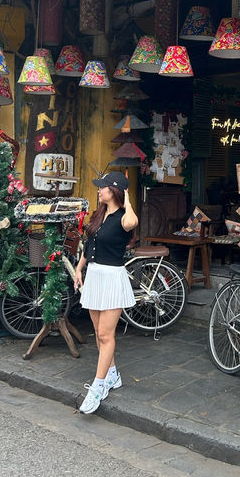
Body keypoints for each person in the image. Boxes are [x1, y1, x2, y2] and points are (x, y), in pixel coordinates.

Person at [75, 171, 139, 415]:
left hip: (112, 278)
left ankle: (97, 388)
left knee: (105, 334)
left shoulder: (124, 217)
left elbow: (132, 223)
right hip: (94, 276)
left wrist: (129, 201)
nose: (99, 190)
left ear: (115, 191)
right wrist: (79, 270)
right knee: (97, 332)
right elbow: (88, 246)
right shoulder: (99, 215)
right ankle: (113, 375)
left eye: (103, 187)